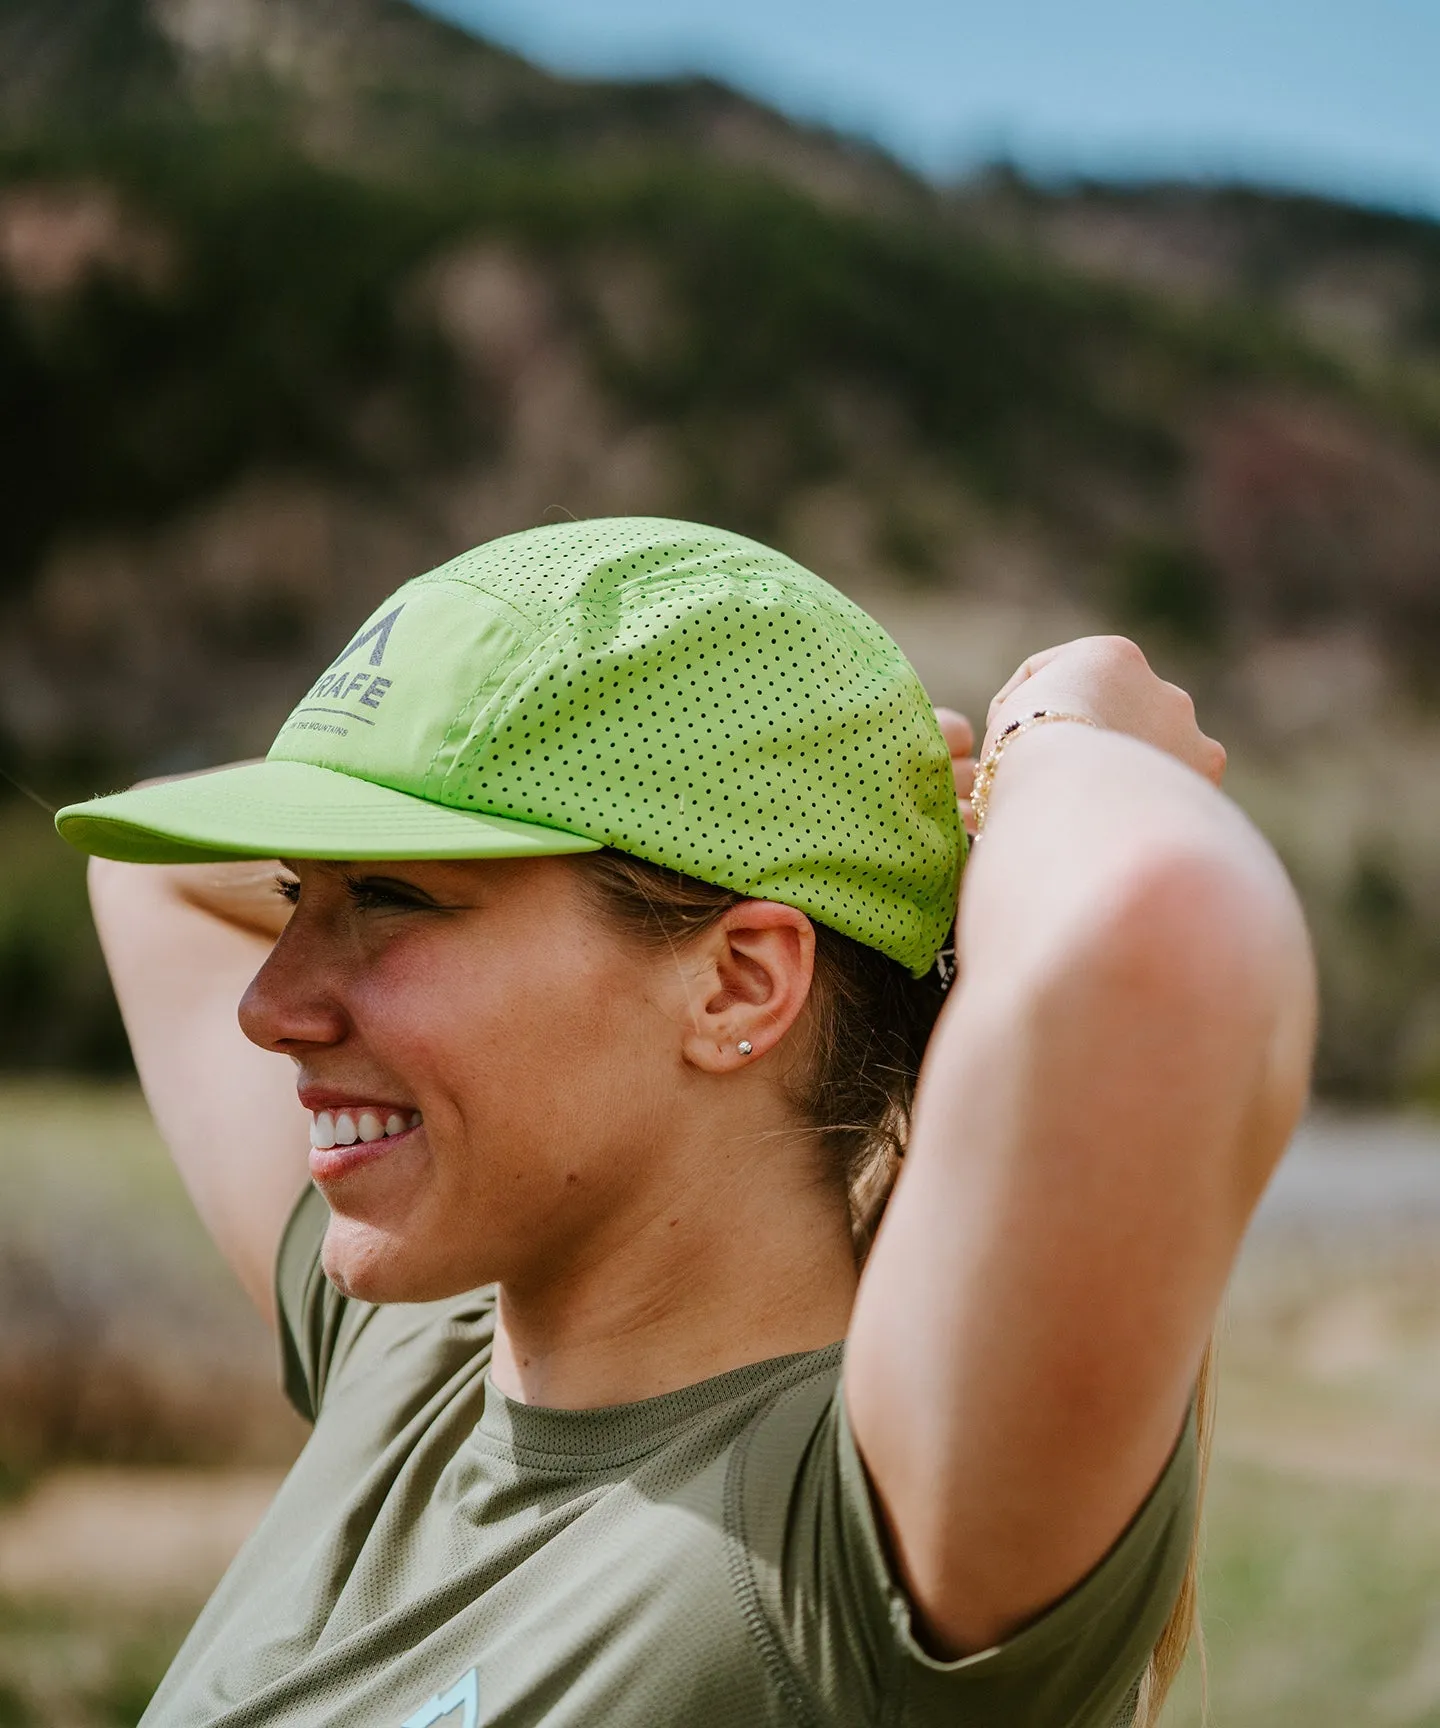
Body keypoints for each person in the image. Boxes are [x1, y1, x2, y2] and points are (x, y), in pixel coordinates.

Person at [59, 517, 1315, 1728]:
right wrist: (891, 817)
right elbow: (143, 870)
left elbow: (1159, 927)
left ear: (738, 985)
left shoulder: (849, 1551)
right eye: (293, 892)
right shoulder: (413, 1362)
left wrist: (1069, 731)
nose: (271, 1005)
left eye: (391, 898)